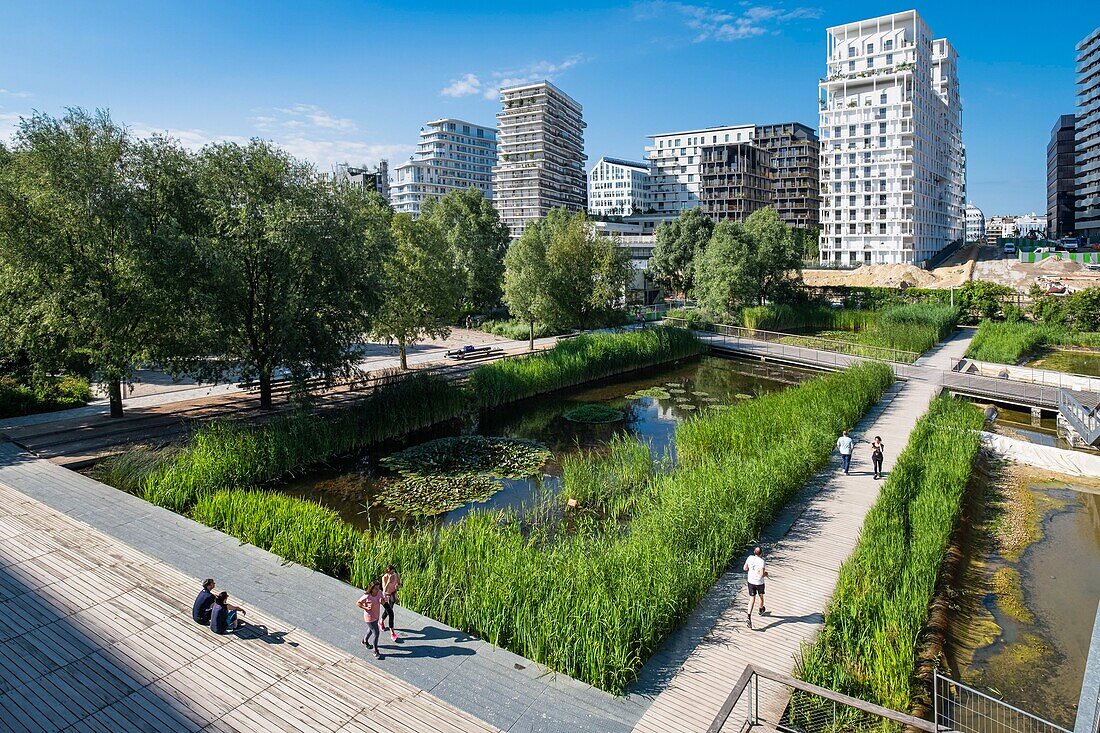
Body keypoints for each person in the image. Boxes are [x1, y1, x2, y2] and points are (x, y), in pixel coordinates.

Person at [358, 580, 384, 658]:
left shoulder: (379, 592)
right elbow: (358, 603)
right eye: (376, 588)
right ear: (372, 588)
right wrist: (366, 607)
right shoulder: (367, 596)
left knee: (370, 630)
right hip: (369, 617)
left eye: (378, 588)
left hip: (376, 615)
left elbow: (382, 601)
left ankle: (364, 640)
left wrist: (382, 601)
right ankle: (375, 651)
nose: (378, 590)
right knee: (376, 633)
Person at [744, 547, 768, 627]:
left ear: (754, 552)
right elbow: (761, 575)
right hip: (759, 582)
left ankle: (749, 616)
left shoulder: (749, 557)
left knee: (752, 599)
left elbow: (745, 568)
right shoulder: (762, 561)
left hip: (751, 581)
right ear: (761, 553)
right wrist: (766, 574)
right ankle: (761, 609)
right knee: (761, 596)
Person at [380, 566, 402, 642]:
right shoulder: (384, 578)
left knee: (388, 611)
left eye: (393, 572)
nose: (392, 574)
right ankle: (392, 633)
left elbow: (399, 584)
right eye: (390, 573)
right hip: (386, 596)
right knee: (390, 613)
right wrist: (389, 581)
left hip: (392, 595)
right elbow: (384, 590)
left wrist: (397, 586)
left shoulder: (396, 575)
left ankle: (381, 621)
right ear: (387, 573)